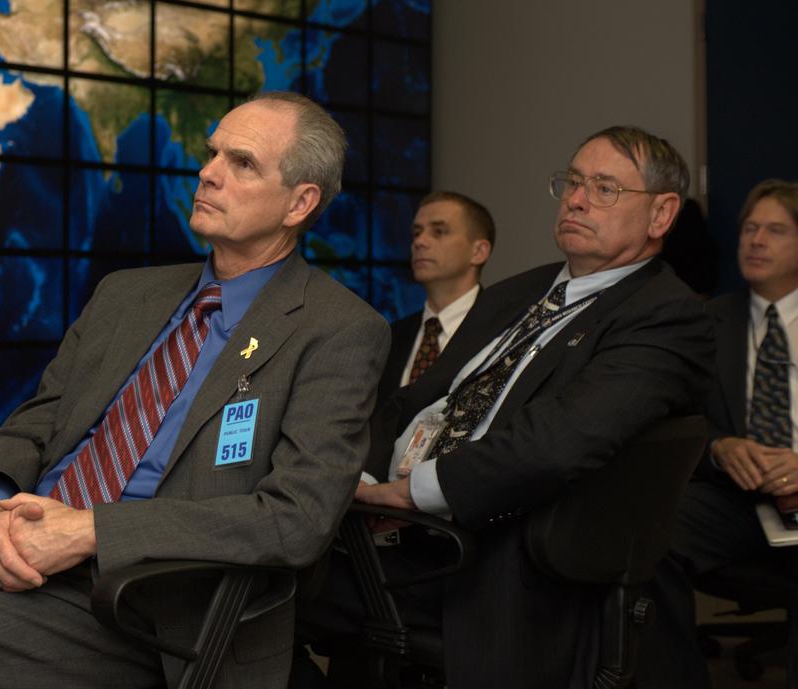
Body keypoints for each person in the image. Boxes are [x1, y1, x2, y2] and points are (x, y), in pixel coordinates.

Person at [0, 92, 390, 689]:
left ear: (300, 203)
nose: (208, 173)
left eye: (241, 162)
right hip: (18, 530)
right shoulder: (127, 297)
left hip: (145, 591)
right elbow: (29, 427)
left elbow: (295, 518)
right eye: (211, 153)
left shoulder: (337, 330)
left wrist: (91, 532)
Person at [301, 126, 715, 689]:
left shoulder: (667, 316)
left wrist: (410, 491)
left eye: (604, 188)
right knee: (242, 569)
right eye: (571, 182)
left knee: (252, 588)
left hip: (482, 556)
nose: (575, 198)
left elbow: (560, 440)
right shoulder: (517, 292)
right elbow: (410, 402)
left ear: (662, 214)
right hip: (383, 522)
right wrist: (364, 476)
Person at [637, 179, 798, 689]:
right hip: (735, 498)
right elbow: (671, 421)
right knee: (644, 527)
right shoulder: (705, 322)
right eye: (750, 228)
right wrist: (718, 448)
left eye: (775, 230)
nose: (755, 240)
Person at [376, 192, 494, 412]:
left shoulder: (502, 333)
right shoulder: (390, 338)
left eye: (439, 232)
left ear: (478, 252)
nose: (420, 242)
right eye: (416, 233)